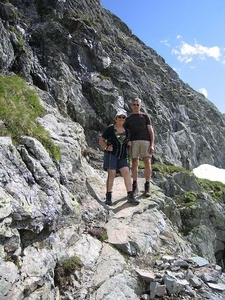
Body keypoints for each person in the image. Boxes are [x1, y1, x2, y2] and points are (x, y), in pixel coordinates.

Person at [99, 111, 140, 206]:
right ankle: (108, 196)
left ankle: (130, 195)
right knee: (112, 174)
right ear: (115, 118)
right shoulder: (110, 129)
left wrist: (128, 143)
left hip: (122, 156)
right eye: (119, 117)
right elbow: (101, 140)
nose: (121, 119)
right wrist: (106, 147)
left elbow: (126, 141)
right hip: (111, 155)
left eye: (123, 117)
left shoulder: (127, 131)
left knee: (126, 172)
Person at [124, 97, 155, 197]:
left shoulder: (145, 116)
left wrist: (152, 144)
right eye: (134, 104)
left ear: (140, 106)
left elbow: (151, 131)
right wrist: (127, 140)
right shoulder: (128, 119)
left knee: (147, 161)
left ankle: (147, 186)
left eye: (138, 104)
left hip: (145, 141)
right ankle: (135, 185)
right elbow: (125, 132)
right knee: (135, 162)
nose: (136, 106)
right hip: (133, 142)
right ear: (131, 106)